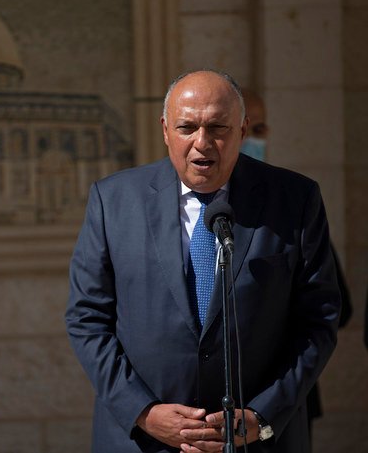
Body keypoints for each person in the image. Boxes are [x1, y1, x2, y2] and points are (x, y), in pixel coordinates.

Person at [65, 70, 341, 453]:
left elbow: (318, 319)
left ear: (243, 130)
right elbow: (86, 318)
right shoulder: (113, 201)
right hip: (145, 441)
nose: (202, 143)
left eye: (217, 127)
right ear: (165, 130)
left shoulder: (295, 200)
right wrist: (144, 411)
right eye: (187, 127)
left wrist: (262, 415)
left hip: (256, 441)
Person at [239, 88, 353, 440]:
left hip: (279, 410)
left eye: (258, 129)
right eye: (243, 129)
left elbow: (334, 307)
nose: (254, 139)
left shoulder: (292, 206)